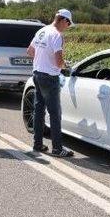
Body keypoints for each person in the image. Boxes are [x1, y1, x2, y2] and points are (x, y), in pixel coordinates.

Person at [27, 9, 74, 157]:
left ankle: (38, 144)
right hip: (50, 77)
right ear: (63, 20)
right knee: (55, 113)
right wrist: (66, 65)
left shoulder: (42, 31)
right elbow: (58, 61)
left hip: (37, 74)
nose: (68, 27)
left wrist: (43, 60)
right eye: (69, 23)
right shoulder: (57, 35)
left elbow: (30, 51)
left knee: (39, 110)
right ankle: (57, 148)